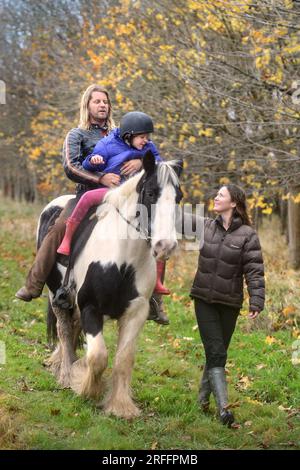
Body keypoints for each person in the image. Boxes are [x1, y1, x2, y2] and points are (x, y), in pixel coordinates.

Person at [57, 111, 170, 297]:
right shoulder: (107, 144)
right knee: (87, 198)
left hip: (137, 197)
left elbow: (159, 163)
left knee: (158, 228)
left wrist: (142, 161)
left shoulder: (148, 147)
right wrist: (94, 161)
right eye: (142, 137)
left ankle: (156, 281)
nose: (146, 140)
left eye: (147, 137)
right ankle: (68, 237)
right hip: (113, 192)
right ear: (129, 135)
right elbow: (88, 163)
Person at [190, 184, 265, 426]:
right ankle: (224, 409)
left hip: (230, 303)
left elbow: (254, 271)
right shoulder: (205, 226)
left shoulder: (247, 235)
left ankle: (202, 399)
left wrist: (256, 299)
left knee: (216, 353)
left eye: (221, 195)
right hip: (204, 300)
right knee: (217, 352)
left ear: (233, 203)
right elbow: (174, 218)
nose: (215, 197)